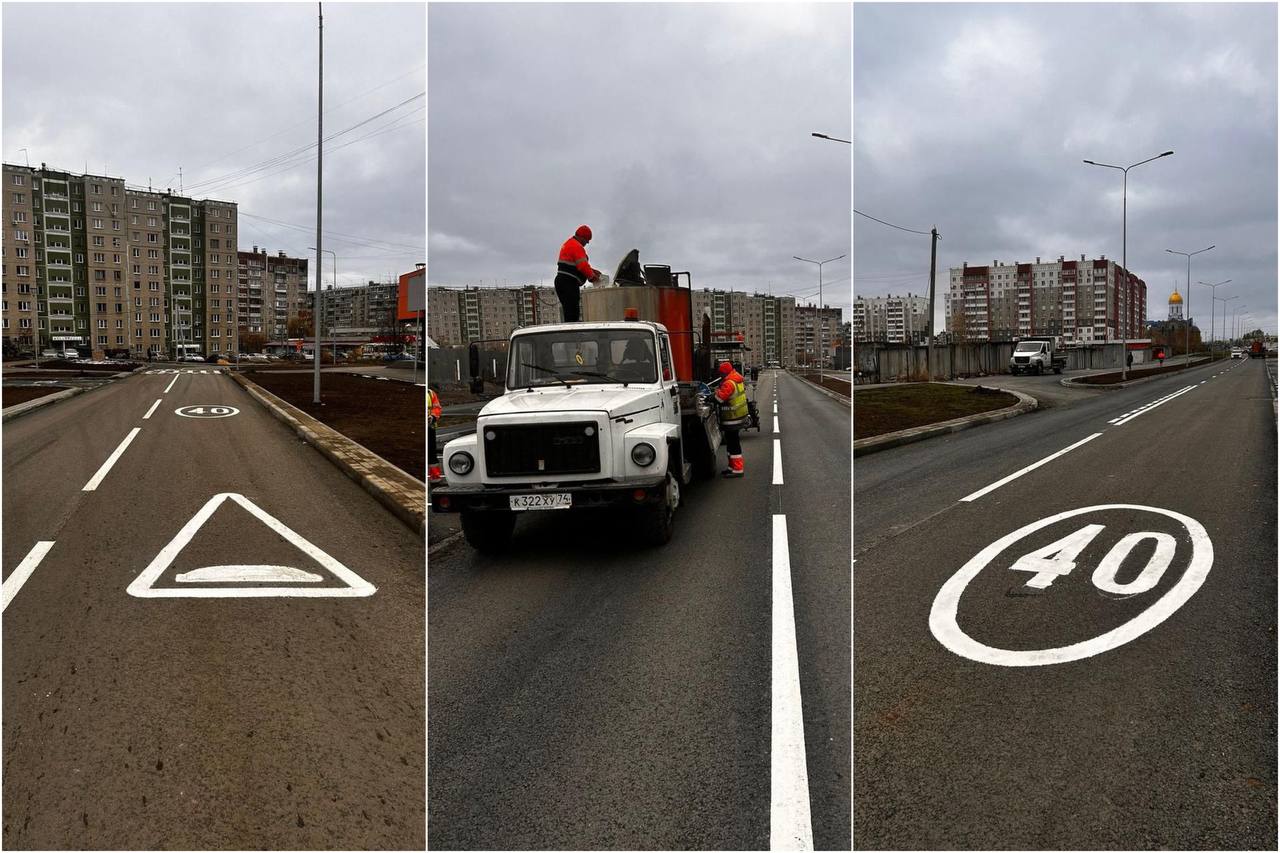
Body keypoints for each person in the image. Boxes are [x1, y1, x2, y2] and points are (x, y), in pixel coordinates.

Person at [555, 225, 601, 322]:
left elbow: (575, 265)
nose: (587, 243)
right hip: (568, 283)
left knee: (569, 312)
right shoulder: (577, 246)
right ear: (581, 237)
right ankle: (572, 334)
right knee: (572, 314)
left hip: (563, 281)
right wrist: (593, 278)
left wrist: (592, 270)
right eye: (587, 240)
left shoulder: (569, 244)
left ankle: (570, 331)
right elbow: (583, 266)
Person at [715, 360, 749, 477]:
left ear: (724, 373)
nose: (720, 376)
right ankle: (732, 467)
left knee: (733, 444)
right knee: (731, 443)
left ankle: (738, 469)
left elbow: (719, 399)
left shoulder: (729, 383)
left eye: (721, 373)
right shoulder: (736, 379)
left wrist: (714, 394)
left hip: (732, 418)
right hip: (738, 417)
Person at [428, 386, 443, 482]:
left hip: (430, 427)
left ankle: (435, 477)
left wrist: (433, 417)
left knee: (431, 453)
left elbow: (437, 407)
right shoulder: (429, 393)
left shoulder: (430, 393)